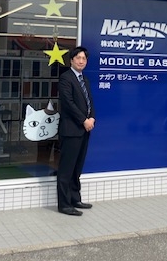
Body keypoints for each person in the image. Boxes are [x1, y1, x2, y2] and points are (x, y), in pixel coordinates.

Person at [57, 46, 96, 216]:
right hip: (71, 130)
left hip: (84, 130)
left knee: (77, 167)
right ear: (71, 60)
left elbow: (89, 102)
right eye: (78, 58)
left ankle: (75, 198)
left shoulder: (84, 79)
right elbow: (68, 103)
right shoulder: (66, 78)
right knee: (66, 169)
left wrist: (92, 117)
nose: (81, 61)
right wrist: (83, 120)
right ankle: (64, 204)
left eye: (84, 58)